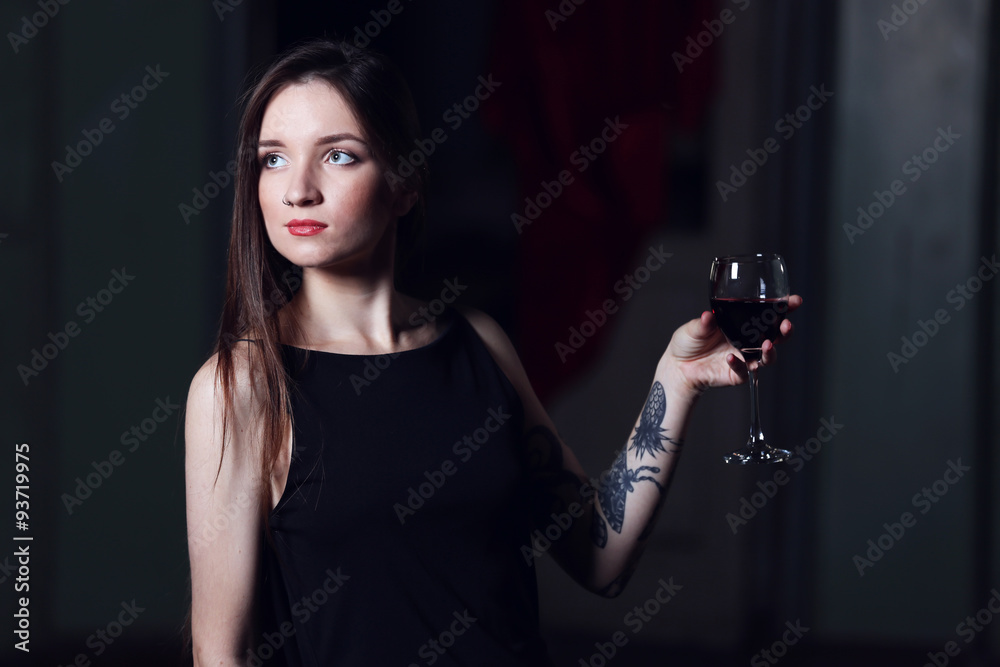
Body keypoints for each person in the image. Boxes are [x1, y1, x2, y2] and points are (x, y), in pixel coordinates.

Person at [183, 38, 801, 666]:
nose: (298, 190)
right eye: (273, 159)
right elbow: (221, 653)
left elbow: (600, 555)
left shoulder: (479, 344)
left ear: (404, 183)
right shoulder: (241, 386)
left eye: (338, 155)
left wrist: (676, 378)